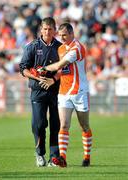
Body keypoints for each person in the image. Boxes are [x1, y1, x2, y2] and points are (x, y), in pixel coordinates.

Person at [38, 23, 93, 167]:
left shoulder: (77, 48)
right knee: (64, 125)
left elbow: (59, 65)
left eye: (64, 35)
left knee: (84, 126)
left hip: (80, 91)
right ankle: (62, 157)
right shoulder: (61, 48)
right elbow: (63, 70)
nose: (61, 38)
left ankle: (87, 156)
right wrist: (53, 78)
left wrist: (43, 69)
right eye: (60, 35)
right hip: (64, 92)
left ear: (72, 34)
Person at [19, 17, 62, 167]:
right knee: (38, 124)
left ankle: (54, 158)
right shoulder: (32, 46)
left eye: (50, 29)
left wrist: (53, 80)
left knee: (56, 124)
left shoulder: (60, 47)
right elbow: (23, 68)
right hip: (37, 91)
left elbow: (64, 69)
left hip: (56, 90)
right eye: (45, 29)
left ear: (54, 30)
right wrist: (36, 77)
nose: (47, 32)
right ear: (41, 30)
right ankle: (40, 153)